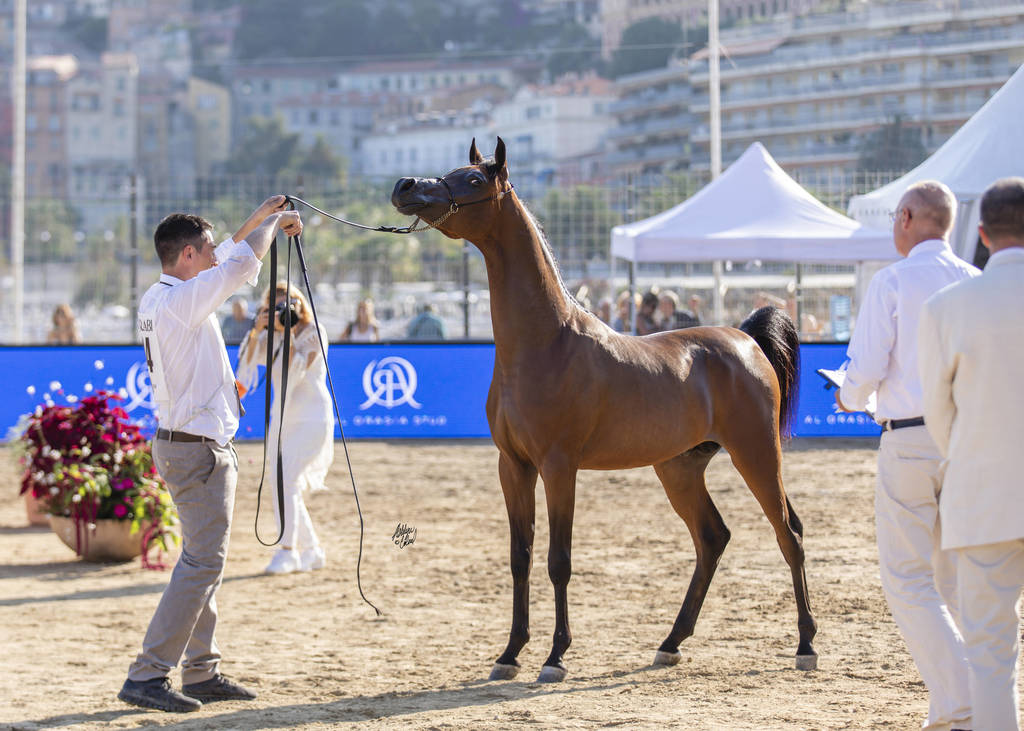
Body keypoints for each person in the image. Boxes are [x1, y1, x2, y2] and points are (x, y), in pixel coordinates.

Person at [119, 196, 302, 713]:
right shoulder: (184, 299)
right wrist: (273, 222)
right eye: (204, 249)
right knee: (202, 563)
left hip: (185, 443)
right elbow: (240, 264)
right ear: (188, 256)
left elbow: (225, 255)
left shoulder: (162, 296)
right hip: (196, 449)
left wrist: (259, 217)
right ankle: (148, 674)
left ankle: (201, 670)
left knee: (202, 560)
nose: (213, 254)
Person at [836, 180, 979, 731]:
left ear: (907, 218)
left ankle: (961, 699)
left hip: (911, 439)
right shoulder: (974, 280)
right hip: (967, 440)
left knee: (908, 581)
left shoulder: (892, 281)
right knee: (953, 580)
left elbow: (866, 369)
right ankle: (958, 708)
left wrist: (849, 396)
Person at [918, 177, 1024, 731]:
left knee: (990, 655)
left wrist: (970, 458)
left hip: (984, 496)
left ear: (981, 234)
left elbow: (938, 415)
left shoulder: (947, 308)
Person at [236, 281, 333, 575]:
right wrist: (257, 330)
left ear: (300, 303)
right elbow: (245, 370)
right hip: (283, 419)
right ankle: (312, 550)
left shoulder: (313, 332)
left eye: (288, 303)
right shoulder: (270, 336)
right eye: (275, 306)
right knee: (283, 483)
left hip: (312, 418)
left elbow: (297, 370)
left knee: (285, 480)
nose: (283, 311)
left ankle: (288, 551)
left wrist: (287, 331)